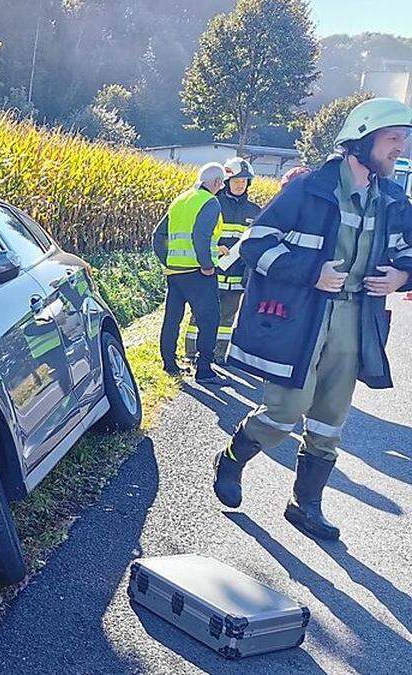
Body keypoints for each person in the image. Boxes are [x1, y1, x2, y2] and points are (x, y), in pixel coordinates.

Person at [212, 97, 412, 540]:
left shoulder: (395, 199)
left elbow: (409, 252)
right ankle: (232, 457)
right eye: (393, 138)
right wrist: (310, 273)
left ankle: (305, 506)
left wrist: (401, 273)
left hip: (356, 321)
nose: (401, 147)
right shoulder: (310, 188)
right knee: (286, 411)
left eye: (404, 138)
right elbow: (255, 244)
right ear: (361, 141)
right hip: (302, 319)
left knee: (330, 419)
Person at [153, 162, 228, 386]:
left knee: (172, 318)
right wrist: (207, 264)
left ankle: (169, 363)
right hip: (198, 272)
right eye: (221, 183)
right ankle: (204, 370)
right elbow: (200, 235)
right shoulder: (210, 202)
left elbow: (158, 235)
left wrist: (167, 261)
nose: (221, 187)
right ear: (216, 182)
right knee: (209, 319)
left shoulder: (180, 200)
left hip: (175, 272)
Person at [185, 158, 261, 363]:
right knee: (200, 314)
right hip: (212, 270)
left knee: (227, 318)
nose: (240, 184)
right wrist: (215, 249)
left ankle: (219, 355)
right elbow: (201, 234)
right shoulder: (213, 203)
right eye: (236, 180)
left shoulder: (255, 211)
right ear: (226, 181)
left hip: (237, 274)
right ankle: (191, 353)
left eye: (244, 181)